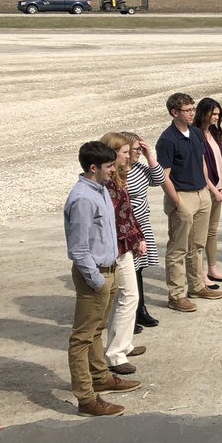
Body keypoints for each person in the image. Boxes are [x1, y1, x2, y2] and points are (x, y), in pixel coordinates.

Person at [63, 141, 140, 417]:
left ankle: (100, 377)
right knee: (82, 338)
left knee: (97, 331)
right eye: (108, 166)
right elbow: (78, 248)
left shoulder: (101, 190)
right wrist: (96, 280)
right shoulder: (83, 198)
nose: (113, 170)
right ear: (93, 167)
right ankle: (86, 399)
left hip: (110, 269)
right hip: (94, 275)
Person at [155, 93, 221, 312]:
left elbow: (201, 161)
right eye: (188, 110)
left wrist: (206, 187)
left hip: (201, 193)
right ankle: (176, 296)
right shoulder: (167, 140)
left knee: (197, 245)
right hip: (182, 196)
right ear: (174, 112)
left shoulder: (195, 133)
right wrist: (176, 201)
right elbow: (163, 175)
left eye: (193, 108)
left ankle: (197, 286)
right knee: (178, 249)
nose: (193, 113)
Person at [99, 132, 148, 376]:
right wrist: (135, 239)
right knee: (128, 296)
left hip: (126, 245)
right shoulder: (107, 184)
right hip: (117, 247)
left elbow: (128, 213)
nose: (129, 157)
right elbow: (117, 219)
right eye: (125, 153)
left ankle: (124, 344)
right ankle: (115, 355)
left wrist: (138, 237)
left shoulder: (118, 178)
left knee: (129, 296)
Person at [121, 131, 165, 331]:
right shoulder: (117, 172)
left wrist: (149, 156)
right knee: (128, 271)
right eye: (136, 149)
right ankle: (129, 315)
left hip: (142, 224)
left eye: (140, 148)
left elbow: (159, 179)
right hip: (127, 228)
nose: (138, 152)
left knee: (139, 269)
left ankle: (140, 310)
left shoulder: (139, 168)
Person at [194, 98, 222, 287]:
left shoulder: (214, 133)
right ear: (204, 113)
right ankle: (200, 273)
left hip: (218, 188)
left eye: (218, 114)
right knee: (199, 235)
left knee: (212, 231)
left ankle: (212, 268)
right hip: (205, 189)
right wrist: (213, 189)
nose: (217, 117)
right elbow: (200, 167)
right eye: (214, 114)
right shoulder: (196, 134)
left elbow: (219, 162)